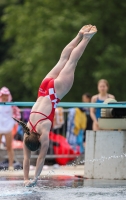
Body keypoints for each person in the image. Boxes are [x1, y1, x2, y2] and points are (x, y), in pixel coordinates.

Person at [13, 24, 97, 187]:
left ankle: (86, 39)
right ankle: (79, 35)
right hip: (44, 88)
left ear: (38, 138)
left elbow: (41, 158)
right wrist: (25, 178)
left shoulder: (43, 131)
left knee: (72, 61)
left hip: (54, 93)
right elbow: (26, 158)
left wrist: (34, 180)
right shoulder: (27, 129)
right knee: (63, 59)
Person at [0, 87, 21, 170]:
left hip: (8, 127)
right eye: (3, 95)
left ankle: (11, 165)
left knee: (9, 147)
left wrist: (15, 123)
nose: (5, 97)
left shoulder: (11, 105)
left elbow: (17, 115)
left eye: (6, 95)